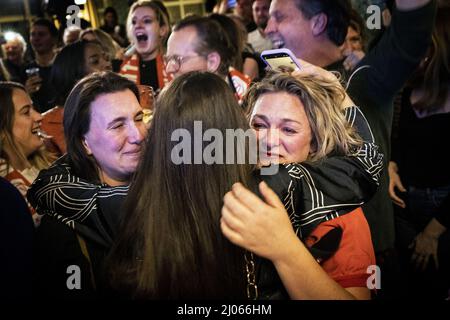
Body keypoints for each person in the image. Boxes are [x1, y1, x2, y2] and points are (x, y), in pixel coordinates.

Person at [264, 0, 436, 284]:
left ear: (318, 23)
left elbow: (412, 30)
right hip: (295, 250)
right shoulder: (278, 86)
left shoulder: (361, 80)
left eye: (279, 17)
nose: (268, 27)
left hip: (365, 259)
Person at [221, 71, 376, 299]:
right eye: (259, 125)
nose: (269, 140)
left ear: (314, 143)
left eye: (289, 130)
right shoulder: (229, 186)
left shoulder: (340, 210)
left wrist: (284, 248)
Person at [29, 71, 147, 298]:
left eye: (139, 118)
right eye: (117, 125)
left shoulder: (171, 189)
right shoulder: (62, 227)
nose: (138, 135)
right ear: (85, 143)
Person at [389, 2, 450, 299]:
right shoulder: (407, 90)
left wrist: (433, 233)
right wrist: (391, 165)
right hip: (405, 210)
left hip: (443, 214)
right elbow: (397, 144)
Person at [42, 40, 112, 155]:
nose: (107, 64)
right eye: (95, 61)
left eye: (106, 58)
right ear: (75, 75)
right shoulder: (47, 126)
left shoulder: (122, 106)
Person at [0, 81, 54, 226]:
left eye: (33, 108)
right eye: (26, 112)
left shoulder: (51, 164)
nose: (39, 117)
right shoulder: (6, 194)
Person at [165, 15, 251, 102]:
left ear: (212, 62)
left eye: (177, 59)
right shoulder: (176, 100)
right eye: (168, 59)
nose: (168, 69)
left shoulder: (247, 105)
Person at [120, 0, 171, 93]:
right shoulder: (120, 71)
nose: (138, 25)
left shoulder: (174, 68)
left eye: (147, 20)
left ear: (162, 30)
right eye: (134, 22)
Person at [24, 18, 59, 113]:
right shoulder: (25, 70)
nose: (36, 38)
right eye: (32, 34)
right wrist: (26, 93)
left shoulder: (64, 64)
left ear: (54, 39)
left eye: (41, 34)